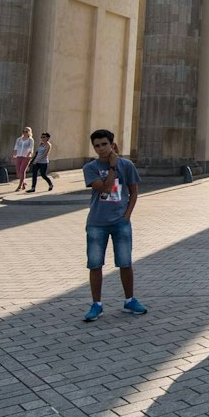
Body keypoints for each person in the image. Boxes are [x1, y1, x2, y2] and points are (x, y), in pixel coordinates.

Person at [81, 128, 147, 321]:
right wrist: (111, 167)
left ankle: (129, 300)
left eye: (104, 144)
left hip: (120, 223)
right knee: (95, 264)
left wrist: (126, 216)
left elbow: (133, 192)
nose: (101, 149)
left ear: (112, 144)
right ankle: (97, 304)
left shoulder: (127, 166)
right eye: (97, 146)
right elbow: (106, 188)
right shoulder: (90, 168)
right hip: (96, 223)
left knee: (125, 263)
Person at [12, 127, 35, 192]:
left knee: (22, 171)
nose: (25, 133)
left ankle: (19, 186)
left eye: (26, 132)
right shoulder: (19, 139)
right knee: (18, 172)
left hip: (26, 157)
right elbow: (15, 148)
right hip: (18, 156)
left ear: (29, 133)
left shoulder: (30, 140)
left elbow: (31, 149)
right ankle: (23, 183)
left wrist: (28, 156)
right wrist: (14, 156)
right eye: (24, 131)